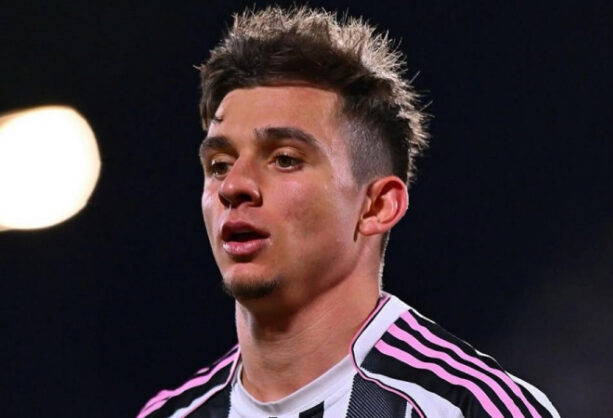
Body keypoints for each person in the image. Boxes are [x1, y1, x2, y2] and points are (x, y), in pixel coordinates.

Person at [138, 6, 559, 418]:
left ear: (377, 206)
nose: (234, 187)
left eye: (284, 159)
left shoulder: (467, 408)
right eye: (219, 165)